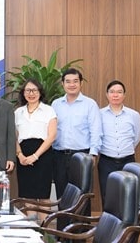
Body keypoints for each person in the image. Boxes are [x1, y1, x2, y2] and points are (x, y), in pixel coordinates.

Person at [51, 68, 101, 198]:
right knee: (62, 196)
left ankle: (81, 220)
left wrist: (93, 154)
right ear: (63, 84)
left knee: (82, 197)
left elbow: (96, 130)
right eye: (68, 81)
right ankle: (63, 219)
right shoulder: (56, 104)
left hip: (82, 156)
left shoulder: (90, 104)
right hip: (59, 156)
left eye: (75, 81)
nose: (71, 84)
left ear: (81, 83)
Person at [14, 79, 57, 220]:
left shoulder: (48, 110)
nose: (31, 93)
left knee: (43, 196)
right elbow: (13, 136)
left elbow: (51, 136)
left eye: (34, 90)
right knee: (28, 196)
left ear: (40, 92)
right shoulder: (18, 112)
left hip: (43, 155)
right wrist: (20, 155)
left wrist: (35, 156)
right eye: (28, 90)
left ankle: (44, 232)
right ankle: (33, 228)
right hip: (23, 156)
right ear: (23, 93)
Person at [98, 80, 140, 204]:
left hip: (128, 161)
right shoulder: (99, 114)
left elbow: (137, 137)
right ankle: (110, 223)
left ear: (124, 95)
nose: (115, 95)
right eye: (112, 92)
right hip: (107, 161)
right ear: (107, 95)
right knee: (108, 196)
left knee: (128, 196)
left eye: (119, 92)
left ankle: (127, 223)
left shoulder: (133, 115)